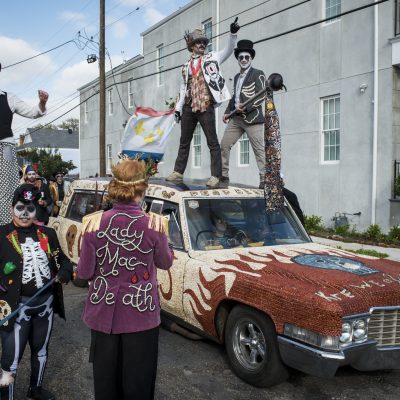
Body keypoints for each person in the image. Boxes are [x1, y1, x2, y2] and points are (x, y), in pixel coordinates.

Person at [77, 158, 174, 400]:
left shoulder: (94, 223)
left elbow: (84, 272)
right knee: (138, 385)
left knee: (106, 384)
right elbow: (165, 262)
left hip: (103, 313)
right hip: (141, 315)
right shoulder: (154, 225)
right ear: (143, 189)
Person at [0, 184, 72, 400]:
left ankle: (35, 389)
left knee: (41, 350)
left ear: (36, 211)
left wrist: (65, 272)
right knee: (10, 358)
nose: (24, 213)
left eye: (30, 209)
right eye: (20, 207)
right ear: (12, 207)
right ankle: (7, 397)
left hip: (44, 306)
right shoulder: (2, 235)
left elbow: (62, 260)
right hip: (15, 307)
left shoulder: (47, 234)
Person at [166, 19, 240, 188]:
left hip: (205, 105)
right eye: (198, 43)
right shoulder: (185, 67)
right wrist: (177, 109)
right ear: (191, 46)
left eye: (203, 42)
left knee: (212, 141)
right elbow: (183, 89)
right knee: (184, 140)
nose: (201, 45)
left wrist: (233, 34)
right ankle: (178, 171)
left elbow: (228, 50)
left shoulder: (212, 57)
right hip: (189, 106)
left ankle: (215, 175)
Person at [0, 69, 48, 225]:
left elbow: (34, 112)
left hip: (5, 146)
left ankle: (5, 226)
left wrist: (42, 103)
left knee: (7, 188)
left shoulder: (8, 97)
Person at [220, 40, 266, 189]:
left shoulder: (258, 73)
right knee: (224, 145)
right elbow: (235, 97)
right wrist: (227, 112)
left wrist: (246, 109)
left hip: (253, 119)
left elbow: (262, 96)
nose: (244, 59)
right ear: (238, 60)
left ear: (251, 58)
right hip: (237, 118)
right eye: (241, 57)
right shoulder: (236, 77)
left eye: (247, 57)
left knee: (259, 150)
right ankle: (224, 176)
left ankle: (265, 179)